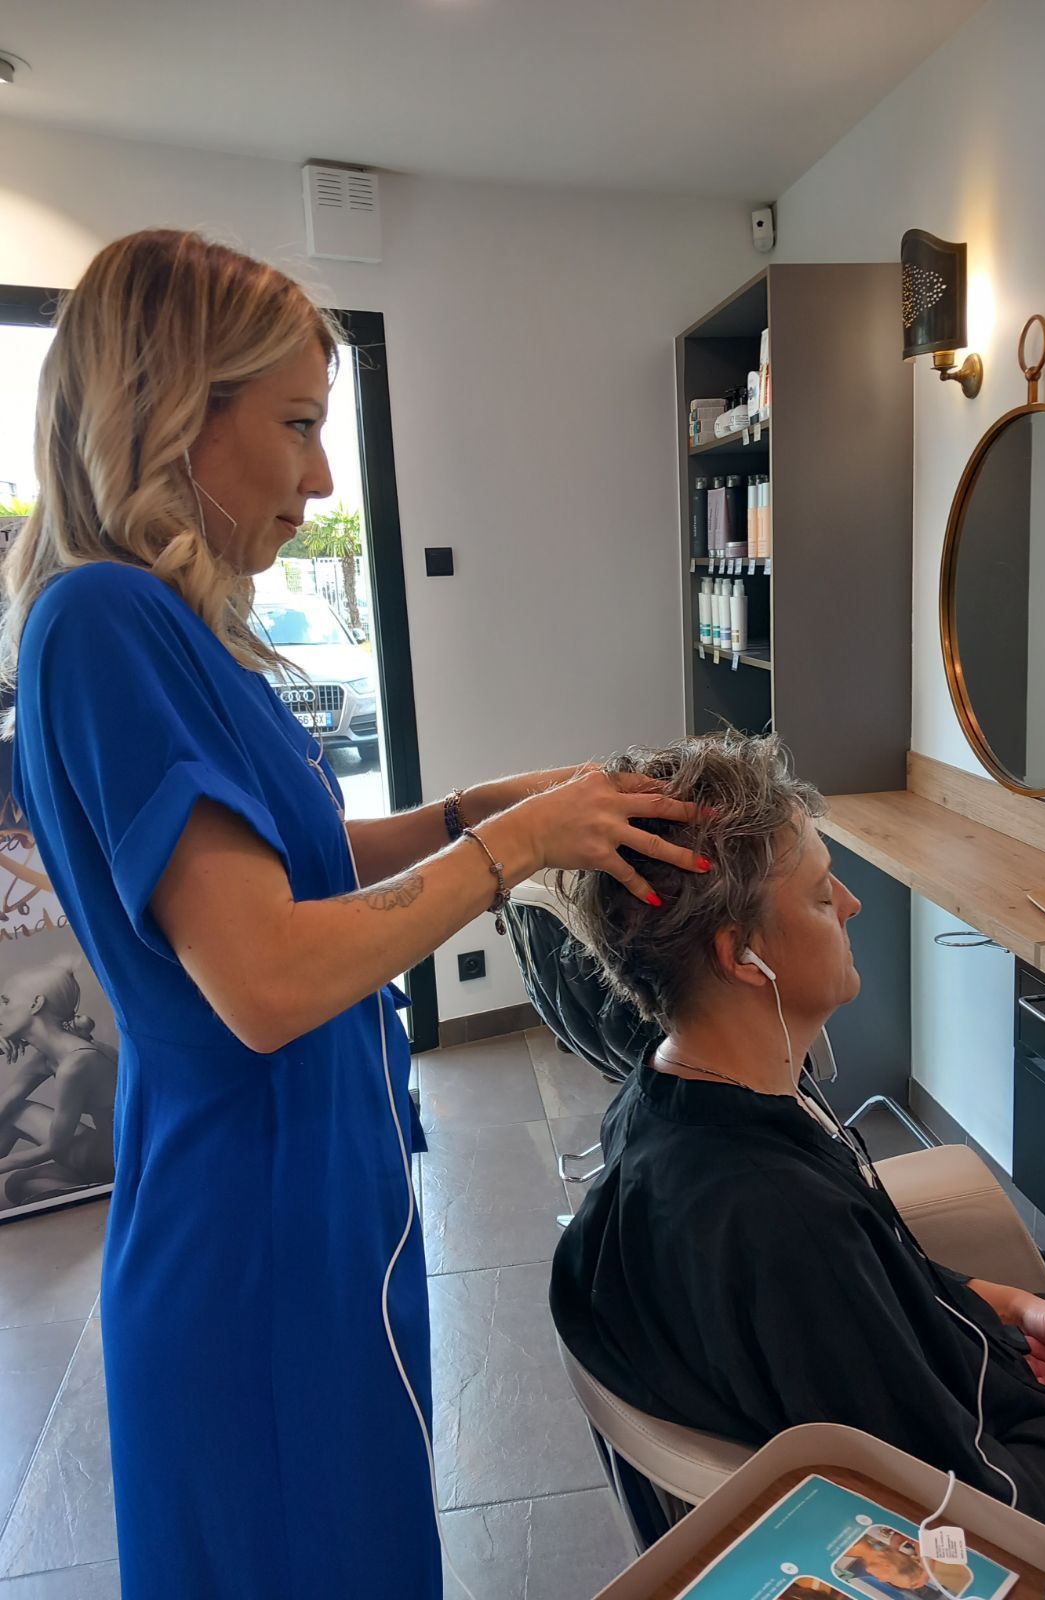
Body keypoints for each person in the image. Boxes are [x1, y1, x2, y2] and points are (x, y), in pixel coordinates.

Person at [2, 229, 710, 1600]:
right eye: (299, 427)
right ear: (169, 407)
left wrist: (498, 803)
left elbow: (305, 860)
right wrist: (516, 847)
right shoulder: (100, 625)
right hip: (251, 1236)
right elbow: (263, 972)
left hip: (316, 1196)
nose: (324, 479)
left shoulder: (182, 636)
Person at [550, 731, 1045, 1564]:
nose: (853, 905)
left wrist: (1013, 1303)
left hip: (981, 1372)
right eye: (822, 896)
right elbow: (960, 1532)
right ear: (742, 958)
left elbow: (883, 1286)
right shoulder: (779, 1225)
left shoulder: (669, 1105)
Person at [0, 953, 117, 1207]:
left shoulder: (78, 1062)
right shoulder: (48, 1056)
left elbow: (53, 1147)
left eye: (5, 1001)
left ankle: (104, 1187)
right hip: (100, 1150)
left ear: (36, 1004)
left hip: (114, 1158)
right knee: (19, 1184)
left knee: (22, 1178)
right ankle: (90, 1188)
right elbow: (4, 1106)